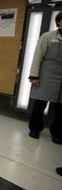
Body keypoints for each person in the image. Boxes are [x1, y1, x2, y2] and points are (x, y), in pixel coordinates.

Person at [28, 11, 62, 144]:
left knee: (60, 109)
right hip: (46, 76)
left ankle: (57, 132)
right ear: (58, 22)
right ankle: (35, 128)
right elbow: (37, 56)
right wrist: (34, 75)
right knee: (40, 104)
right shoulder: (47, 37)